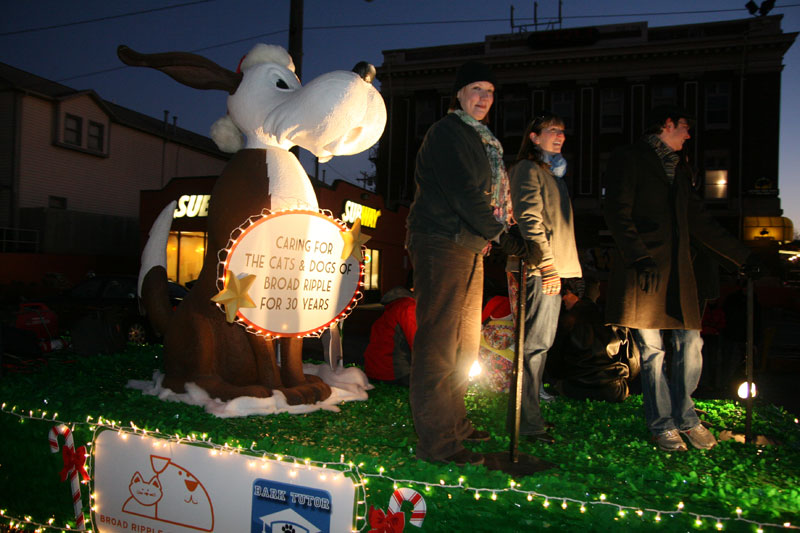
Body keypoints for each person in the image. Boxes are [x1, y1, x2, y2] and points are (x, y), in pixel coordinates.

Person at [405, 60, 535, 466]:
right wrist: (504, 234)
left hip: (469, 244)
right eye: (476, 89)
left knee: (463, 344)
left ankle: (454, 422)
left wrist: (495, 235)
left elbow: (481, 196)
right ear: (459, 94)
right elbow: (464, 192)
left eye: (490, 91)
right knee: (439, 344)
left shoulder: (482, 139)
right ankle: (438, 442)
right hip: (441, 242)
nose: (483, 98)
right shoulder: (448, 133)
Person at [603, 105, 753, 452]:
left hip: (680, 274)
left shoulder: (681, 170)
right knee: (652, 351)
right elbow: (616, 210)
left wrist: (744, 258)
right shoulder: (629, 157)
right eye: (684, 128)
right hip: (645, 272)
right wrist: (638, 255)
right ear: (666, 125)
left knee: (690, 344)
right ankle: (662, 424)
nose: (688, 136)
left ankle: (685, 416)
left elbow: (699, 221)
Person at [506, 112, 582, 444]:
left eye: (563, 132)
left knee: (540, 346)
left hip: (550, 268)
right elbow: (528, 217)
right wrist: (548, 266)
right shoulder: (528, 169)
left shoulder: (552, 175)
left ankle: (528, 420)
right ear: (534, 137)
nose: (560, 136)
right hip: (538, 269)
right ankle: (527, 425)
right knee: (534, 346)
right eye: (553, 130)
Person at [363, 286, 416, 386]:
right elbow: (417, 343)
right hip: (395, 372)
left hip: (374, 370)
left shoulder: (392, 309)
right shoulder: (408, 307)